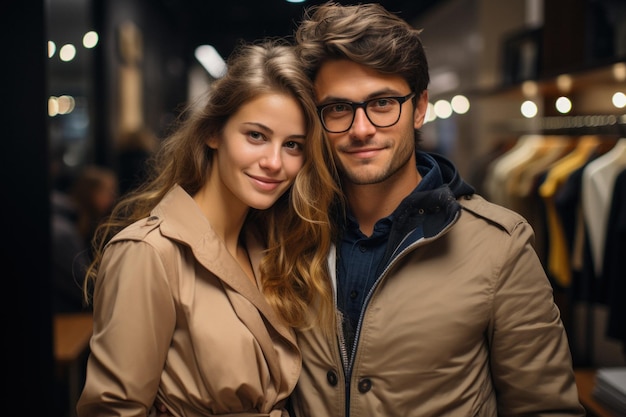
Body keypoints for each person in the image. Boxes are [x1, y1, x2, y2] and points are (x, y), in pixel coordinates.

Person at [286, 2, 584, 416]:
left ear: (419, 106)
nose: (361, 129)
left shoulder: (500, 247)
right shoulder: (289, 234)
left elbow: (545, 407)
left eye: (383, 103)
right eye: (338, 108)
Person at [76, 39, 341, 417]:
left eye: (294, 145)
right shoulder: (150, 252)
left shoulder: (269, 246)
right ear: (213, 133)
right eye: (256, 135)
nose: (274, 162)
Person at [51, 164, 118, 313]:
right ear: (90, 192)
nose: (111, 197)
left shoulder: (87, 223)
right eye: (106, 191)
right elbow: (83, 284)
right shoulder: (66, 231)